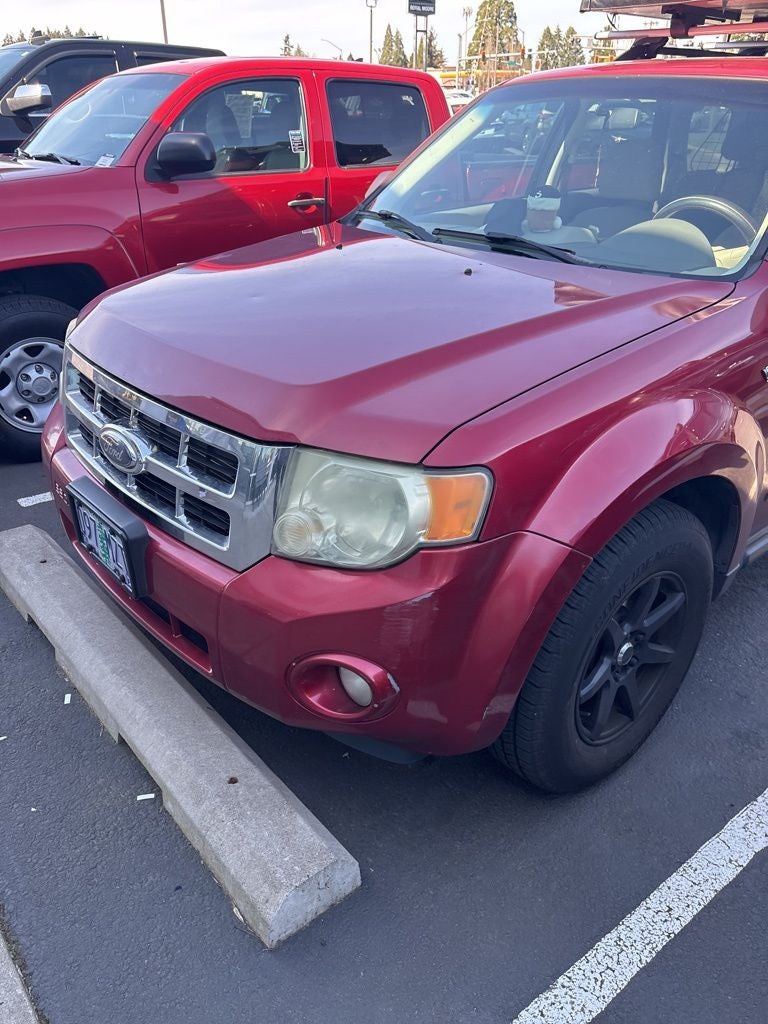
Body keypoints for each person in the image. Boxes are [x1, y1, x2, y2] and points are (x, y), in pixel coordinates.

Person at [521, 186, 596, 247]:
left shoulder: (581, 236)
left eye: (544, 211)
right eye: (532, 210)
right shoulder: (514, 238)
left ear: (556, 215)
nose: (536, 215)